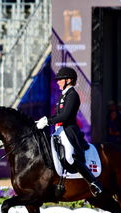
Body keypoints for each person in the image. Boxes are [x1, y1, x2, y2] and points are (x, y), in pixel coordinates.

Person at [35, 67, 103, 196]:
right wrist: (43, 121)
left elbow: (65, 116)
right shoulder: (64, 95)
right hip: (59, 130)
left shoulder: (72, 95)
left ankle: (94, 182)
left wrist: (48, 121)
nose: (58, 82)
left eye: (60, 80)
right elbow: (58, 115)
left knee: (69, 158)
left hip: (68, 131)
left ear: (68, 80)